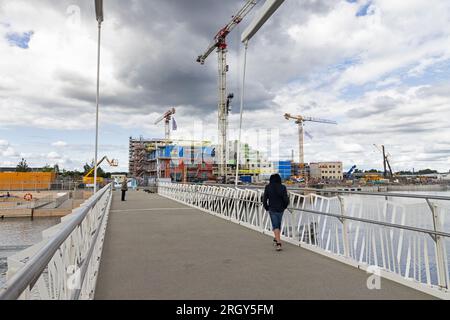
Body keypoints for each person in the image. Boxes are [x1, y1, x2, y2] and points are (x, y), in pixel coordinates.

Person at [263, 174, 289, 251]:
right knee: (278, 223)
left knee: (275, 225)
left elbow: (265, 198)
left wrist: (266, 207)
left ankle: (278, 243)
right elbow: (286, 199)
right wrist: (285, 206)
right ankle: (276, 238)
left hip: (272, 208)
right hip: (281, 208)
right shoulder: (283, 187)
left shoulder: (268, 187)